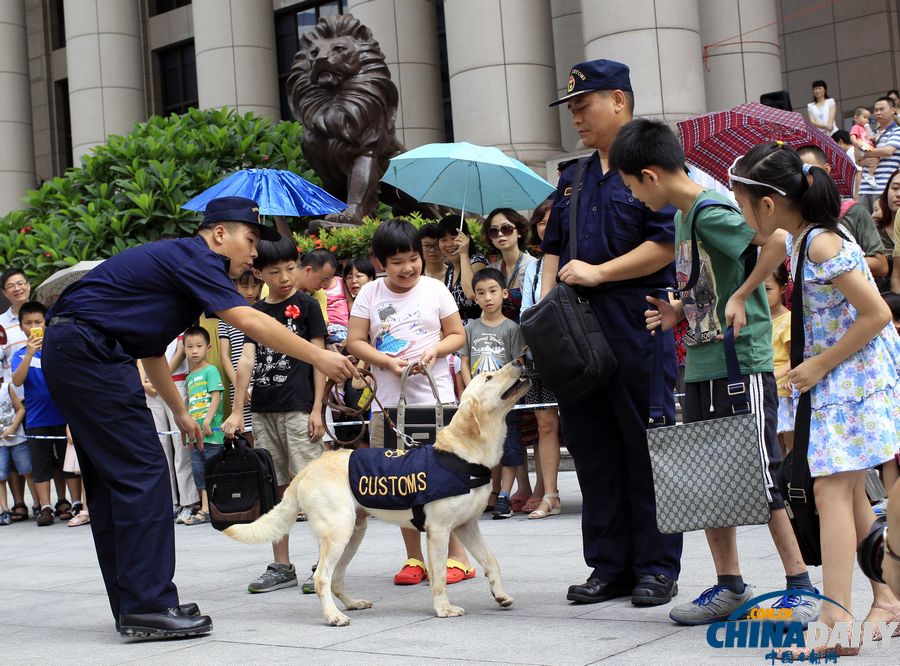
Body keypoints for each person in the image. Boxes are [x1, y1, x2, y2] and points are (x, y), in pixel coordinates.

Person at [41, 195, 355, 638]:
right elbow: (247, 319)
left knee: (116, 481)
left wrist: (180, 411)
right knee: (143, 472)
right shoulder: (195, 256)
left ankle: (135, 603)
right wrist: (318, 358)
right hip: (89, 354)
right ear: (219, 234)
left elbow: (150, 351)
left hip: (80, 352)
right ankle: (148, 604)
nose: (254, 253)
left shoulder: (180, 275)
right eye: (250, 240)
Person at [612, 119, 819, 626]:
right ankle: (729, 585)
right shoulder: (684, 215)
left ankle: (800, 585)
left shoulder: (709, 209)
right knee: (709, 478)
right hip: (703, 361)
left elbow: (774, 245)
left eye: (632, 186)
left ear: (650, 174)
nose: (634, 197)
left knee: (760, 473)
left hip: (739, 362)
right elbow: (712, 283)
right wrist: (680, 311)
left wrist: (746, 294)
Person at [730, 141, 900, 657]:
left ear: (766, 203)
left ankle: (835, 622)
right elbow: (774, 250)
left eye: (740, 201)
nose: (739, 212)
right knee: (844, 492)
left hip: (856, 378)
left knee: (831, 491)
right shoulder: (799, 237)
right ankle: (885, 598)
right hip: (839, 378)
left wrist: (819, 365)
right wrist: (742, 293)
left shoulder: (823, 244)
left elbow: (877, 314)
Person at [542, 59, 682, 607]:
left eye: (584, 104)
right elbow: (552, 248)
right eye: (572, 107)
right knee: (594, 447)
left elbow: (666, 243)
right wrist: (548, 306)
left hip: (635, 318)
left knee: (647, 445)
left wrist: (600, 272)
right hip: (577, 326)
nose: (576, 116)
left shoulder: (652, 165)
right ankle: (608, 564)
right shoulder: (573, 177)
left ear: (619, 101)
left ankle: (655, 565)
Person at [346, 218, 476, 586]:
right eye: (397, 262)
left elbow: (457, 335)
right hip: (388, 406)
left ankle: (458, 558)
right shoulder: (370, 294)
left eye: (413, 258)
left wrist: (434, 351)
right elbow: (355, 341)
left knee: (445, 480)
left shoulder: (435, 290)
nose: (408, 268)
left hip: (436, 401)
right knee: (398, 480)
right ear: (379, 263)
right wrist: (385, 361)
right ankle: (414, 559)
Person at [223, 235, 327, 592]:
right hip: (264, 412)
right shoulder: (255, 313)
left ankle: (323, 564)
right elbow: (245, 362)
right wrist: (238, 412)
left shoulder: (309, 305)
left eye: (290, 268)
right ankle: (281, 566)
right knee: (275, 488)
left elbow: (319, 359)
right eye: (275, 271)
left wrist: (317, 409)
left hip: (300, 409)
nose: (284, 277)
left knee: (313, 488)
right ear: (259, 272)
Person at [458, 267, 526, 519]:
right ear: (474, 297)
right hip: (479, 402)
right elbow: (464, 362)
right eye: (481, 293)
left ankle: (505, 495)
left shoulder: (512, 328)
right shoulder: (470, 328)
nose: (487, 297)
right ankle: (488, 493)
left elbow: (517, 364)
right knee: (484, 448)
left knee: (509, 444)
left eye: (493, 291)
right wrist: (470, 389)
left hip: (505, 400)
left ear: (504, 293)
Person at [11, 302, 79, 527]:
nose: (33, 327)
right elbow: (17, 381)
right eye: (28, 323)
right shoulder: (20, 355)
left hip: (62, 416)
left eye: (38, 322)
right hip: (37, 419)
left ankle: (65, 502)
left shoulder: (57, 349)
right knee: (41, 466)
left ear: (46, 324)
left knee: (62, 464)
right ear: (21, 327)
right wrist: (29, 353)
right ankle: (45, 506)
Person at [519, 199, 563, 520]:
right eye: (542, 221)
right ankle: (551, 494)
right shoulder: (533, 265)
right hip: (541, 354)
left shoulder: (578, 257)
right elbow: (526, 311)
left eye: (553, 220)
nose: (546, 226)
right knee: (545, 424)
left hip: (578, 354)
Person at [796, 145, 888, 279]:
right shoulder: (792, 216)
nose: (804, 180)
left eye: (810, 172)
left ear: (826, 169)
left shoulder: (853, 211)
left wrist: (828, 267)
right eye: (798, 174)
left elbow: (881, 265)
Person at [140, 335, 199, 523]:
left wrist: (159, 378)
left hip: (175, 381)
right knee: (159, 445)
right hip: (149, 386)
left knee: (180, 444)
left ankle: (188, 501)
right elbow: (137, 349)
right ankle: (168, 501)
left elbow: (182, 349)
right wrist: (144, 380)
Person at [0, 268, 39, 521]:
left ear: (28, 285)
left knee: (40, 450)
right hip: (14, 396)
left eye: (21, 283)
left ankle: (47, 502)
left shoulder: (43, 314)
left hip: (41, 393)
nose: (17, 288)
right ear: (5, 293)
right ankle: (18, 503)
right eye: (11, 286)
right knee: (13, 451)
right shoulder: (2, 324)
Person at [180, 326, 225, 526]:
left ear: (208, 347)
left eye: (198, 346)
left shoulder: (211, 370)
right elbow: (189, 406)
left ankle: (217, 508)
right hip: (195, 437)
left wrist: (207, 420)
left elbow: (216, 396)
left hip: (212, 434)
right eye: (189, 347)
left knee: (214, 470)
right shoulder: (189, 377)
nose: (194, 351)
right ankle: (207, 509)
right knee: (200, 474)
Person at [218, 270, 263, 445]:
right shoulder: (226, 314)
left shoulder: (263, 310)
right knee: (247, 434)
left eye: (254, 286)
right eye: (245, 286)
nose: (250, 291)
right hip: (238, 381)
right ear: (235, 286)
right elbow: (224, 356)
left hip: (262, 378)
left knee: (266, 430)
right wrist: (240, 387)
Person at [438, 214, 488, 325]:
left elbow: (472, 293)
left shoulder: (477, 262)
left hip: (476, 332)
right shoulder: (450, 271)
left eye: (454, 238)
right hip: (456, 333)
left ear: (467, 238)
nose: (449, 244)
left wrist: (464, 254)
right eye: (443, 240)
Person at [766, 264, 794, 458]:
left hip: (783, 390)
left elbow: (795, 358)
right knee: (772, 445)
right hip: (767, 387)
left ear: (783, 288)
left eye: (767, 289)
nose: (761, 294)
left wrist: (774, 375)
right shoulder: (757, 321)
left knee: (790, 443)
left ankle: (793, 484)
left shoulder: (788, 320)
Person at [858, 96, 899, 213]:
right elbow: (857, 158)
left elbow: (887, 151)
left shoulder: (897, 131)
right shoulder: (871, 133)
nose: (878, 113)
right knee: (864, 227)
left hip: (885, 187)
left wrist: (864, 153)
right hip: (865, 187)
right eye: (876, 110)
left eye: (882, 109)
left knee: (884, 226)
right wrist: (863, 159)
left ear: (893, 110)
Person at [0, 377, 29, 525]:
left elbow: (21, 409)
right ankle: (4, 510)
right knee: (0, 477)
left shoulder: (6, 388)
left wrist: (13, 427)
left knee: (27, 471)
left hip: (17, 438)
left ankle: (38, 505)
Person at [296, 248, 337, 325]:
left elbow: (323, 323)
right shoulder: (277, 286)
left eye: (328, 280)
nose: (324, 286)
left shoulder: (319, 292)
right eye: (323, 280)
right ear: (308, 270)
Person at [849, 106, 878, 189]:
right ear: (856, 117)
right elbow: (853, 139)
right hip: (862, 149)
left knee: (875, 160)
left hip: (867, 149)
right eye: (864, 117)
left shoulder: (865, 128)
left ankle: (869, 175)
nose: (867, 120)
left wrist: (871, 135)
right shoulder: (856, 127)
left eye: (868, 118)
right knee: (874, 161)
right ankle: (870, 175)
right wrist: (858, 144)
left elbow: (871, 137)